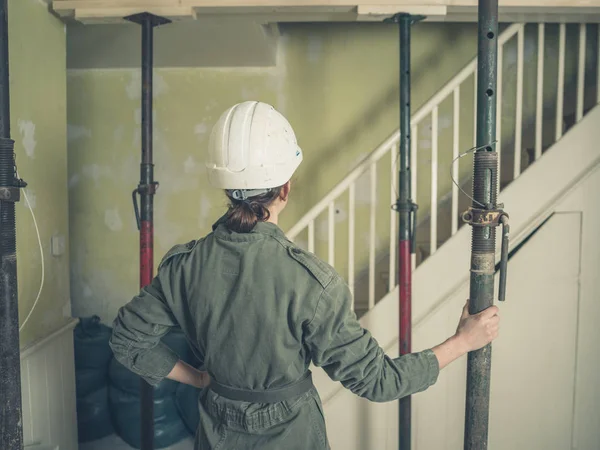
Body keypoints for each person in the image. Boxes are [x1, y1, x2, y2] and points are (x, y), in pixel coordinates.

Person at [110, 101, 500, 450]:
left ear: (227, 188)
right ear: (286, 187)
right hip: (291, 434)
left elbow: (128, 340)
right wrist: (463, 342)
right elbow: (380, 381)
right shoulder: (313, 284)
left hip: (217, 432)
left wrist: (198, 379)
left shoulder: (184, 266)